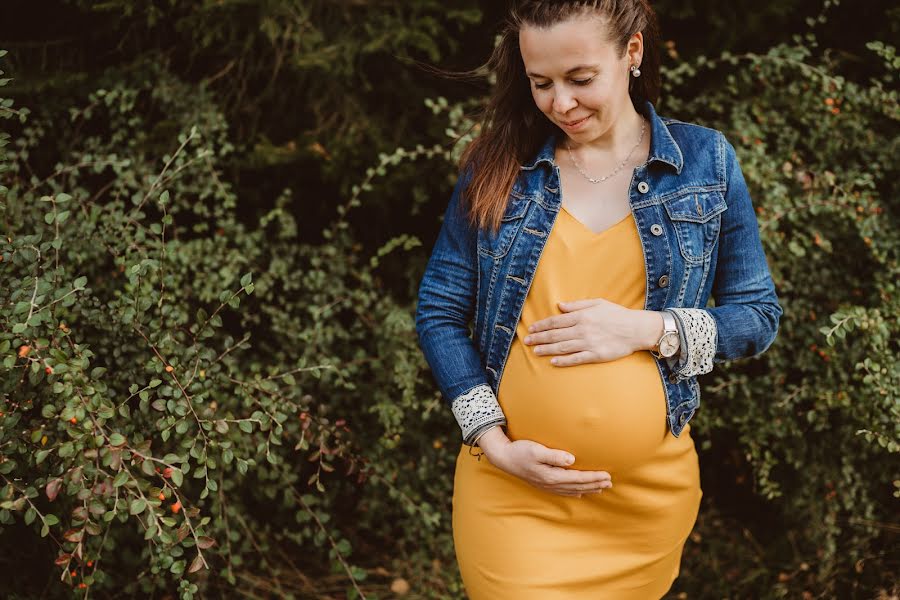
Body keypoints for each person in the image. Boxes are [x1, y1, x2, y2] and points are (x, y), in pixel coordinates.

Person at [414, 1, 782, 597]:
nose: (560, 103)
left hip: (643, 501)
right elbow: (439, 310)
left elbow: (757, 315)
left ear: (632, 52)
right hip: (512, 494)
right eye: (541, 83)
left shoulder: (704, 163)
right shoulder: (498, 166)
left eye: (580, 79)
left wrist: (646, 329)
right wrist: (492, 442)